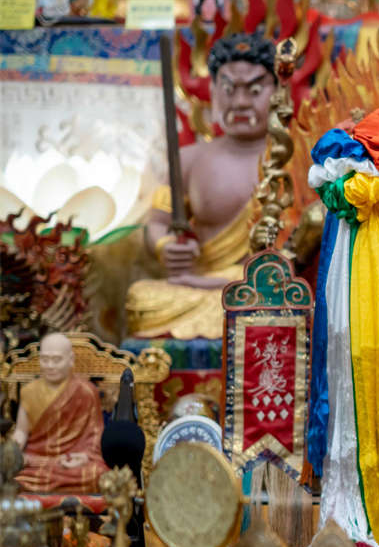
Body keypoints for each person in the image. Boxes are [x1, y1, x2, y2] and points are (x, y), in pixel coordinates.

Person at [125, 33, 274, 339]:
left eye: (255, 90)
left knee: (283, 304)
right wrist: (166, 246)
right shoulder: (189, 160)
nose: (241, 102)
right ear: (214, 92)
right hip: (200, 285)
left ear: (279, 92)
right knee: (141, 298)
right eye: (229, 90)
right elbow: (157, 223)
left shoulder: (295, 160)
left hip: (268, 289)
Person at [13, 333, 108, 495]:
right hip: (37, 461)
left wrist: (85, 456)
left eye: (57, 360)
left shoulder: (86, 391)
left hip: (73, 463)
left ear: (70, 360)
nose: (50, 366)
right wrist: (12, 451)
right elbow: (21, 431)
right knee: (11, 475)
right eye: (45, 359)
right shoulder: (29, 392)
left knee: (98, 474)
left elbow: (95, 434)